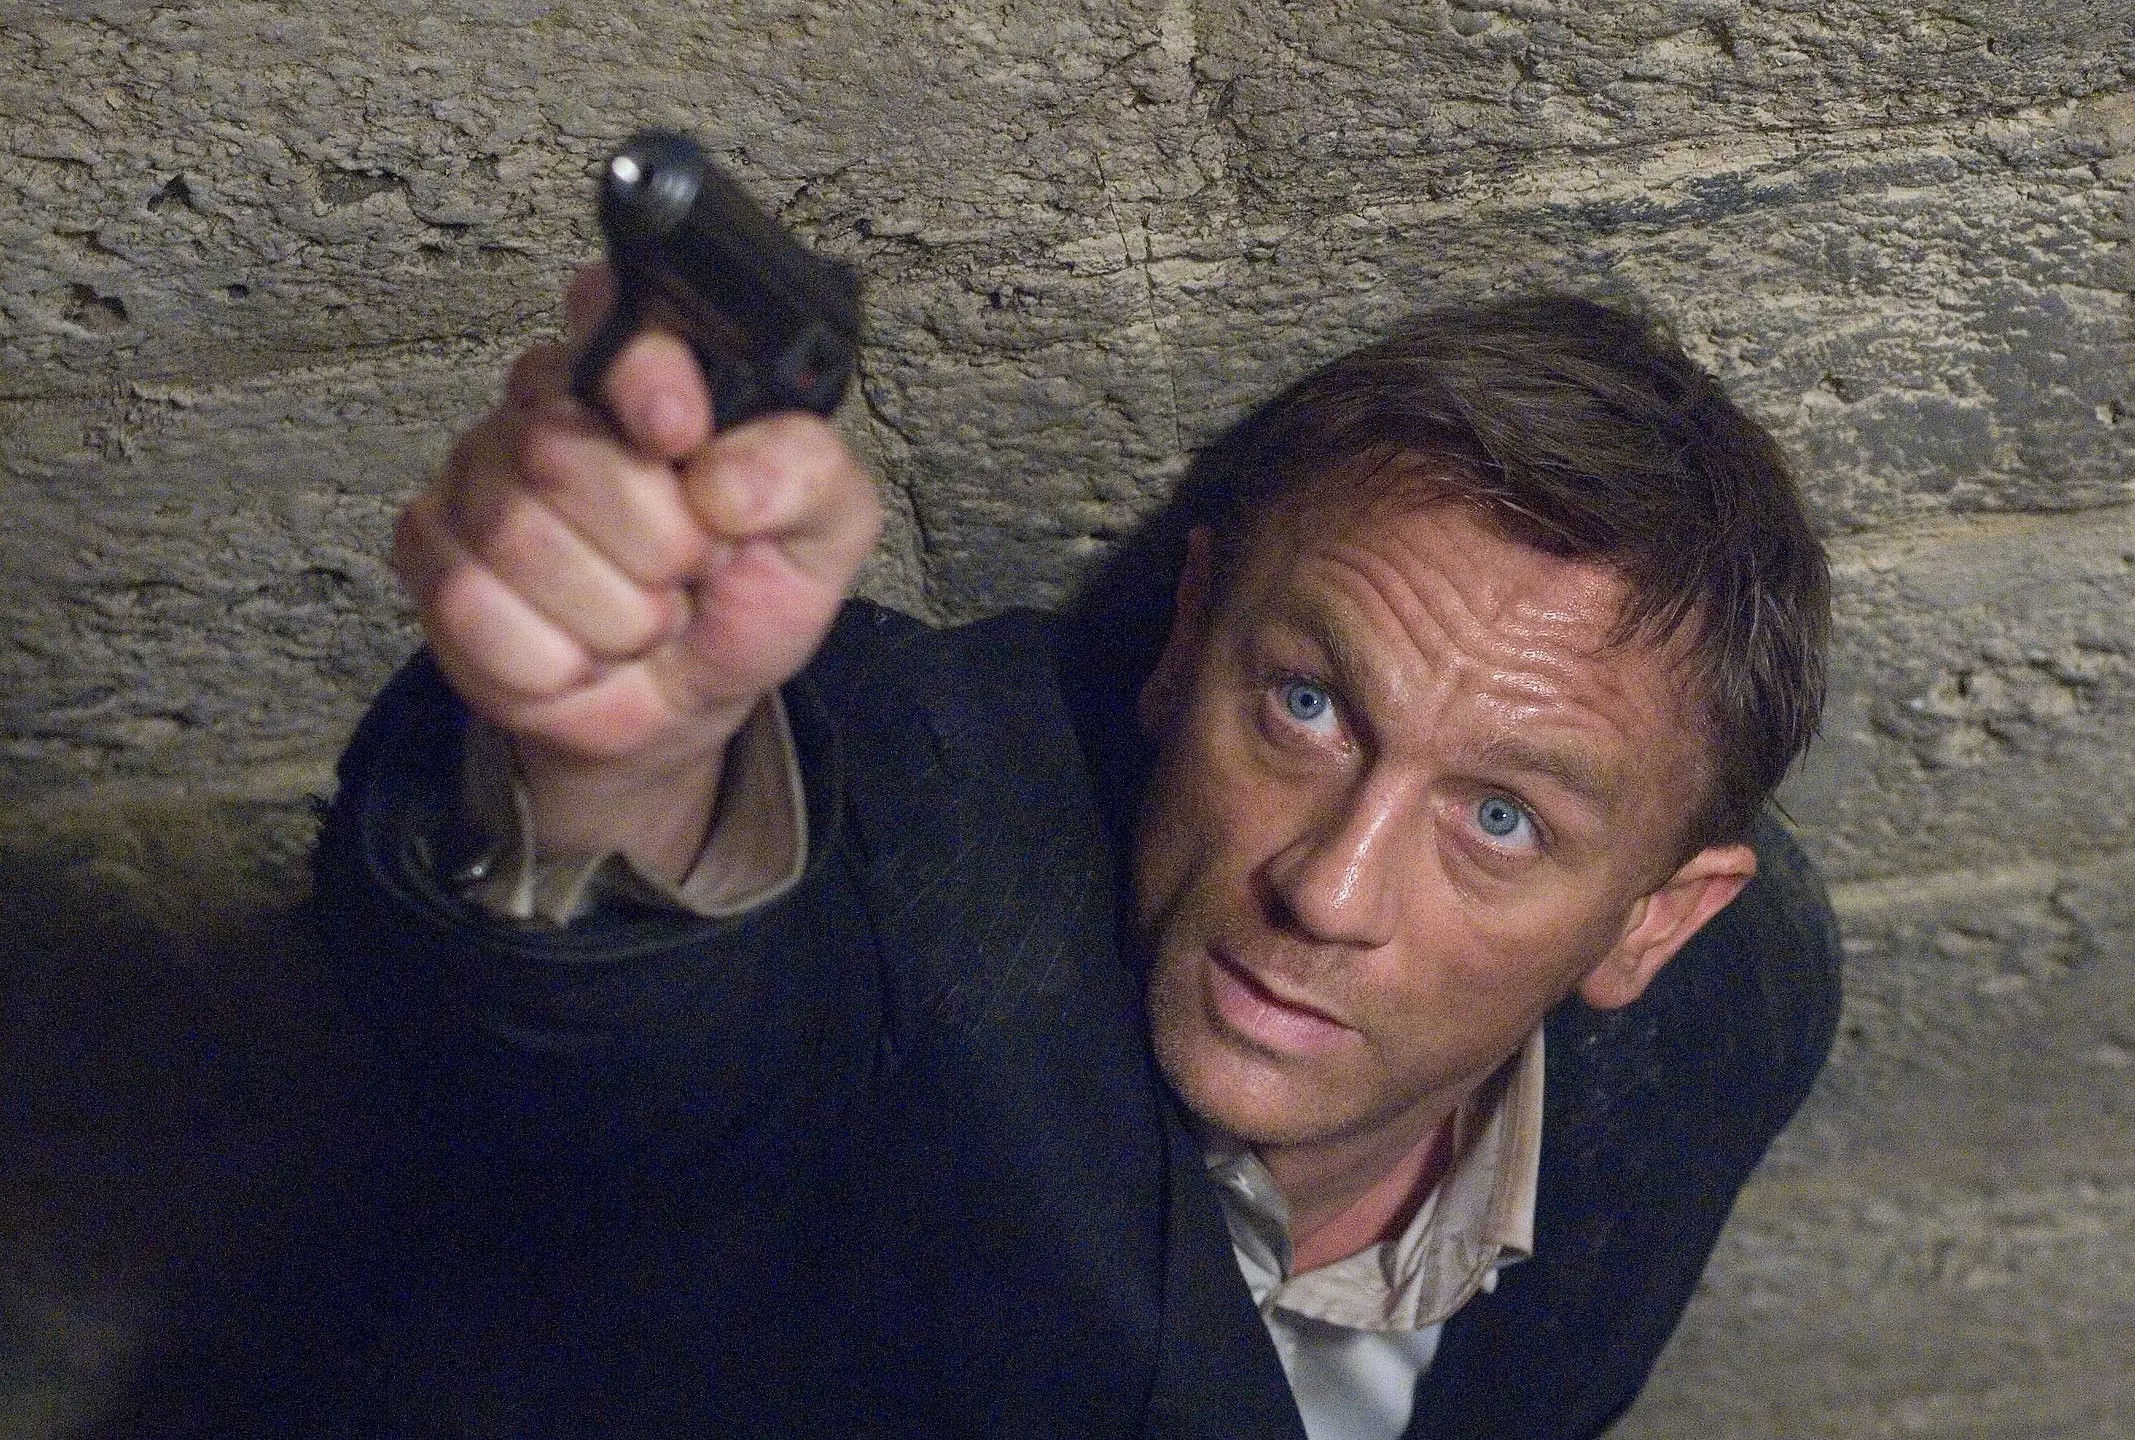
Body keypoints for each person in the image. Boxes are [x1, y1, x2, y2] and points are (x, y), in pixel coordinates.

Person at [305, 265, 1841, 1439]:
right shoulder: (933, 855)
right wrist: (619, 764)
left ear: (1656, 921)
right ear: (1189, 637)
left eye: (1500, 820)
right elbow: (645, 1043)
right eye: (1307, 706)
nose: (1329, 890)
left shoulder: (1737, 1012)